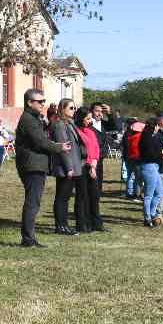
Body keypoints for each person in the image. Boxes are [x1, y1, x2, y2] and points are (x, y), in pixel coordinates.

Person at [13, 88, 65, 248]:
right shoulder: (28, 119)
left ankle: (29, 237)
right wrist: (59, 147)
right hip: (32, 165)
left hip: (35, 164)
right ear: (30, 102)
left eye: (44, 101)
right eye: (40, 101)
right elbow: (40, 142)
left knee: (33, 201)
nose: (43, 104)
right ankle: (28, 239)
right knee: (32, 202)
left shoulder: (34, 118)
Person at [50, 98, 85, 235]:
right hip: (66, 167)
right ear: (62, 109)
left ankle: (64, 225)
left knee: (65, 197)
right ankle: (61, 226)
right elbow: (64, 148)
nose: (74, 110)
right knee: (62, 197)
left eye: (74, 108)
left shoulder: (70, 123)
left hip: (73, 165)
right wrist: (69, 168)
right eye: (71, 108)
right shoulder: (60, 125)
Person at [139, 115, 163, 228]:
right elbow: (150, 154)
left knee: (160, 192)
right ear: (153, 126)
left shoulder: (152, 136)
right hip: (149, 166)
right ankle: (147, 218)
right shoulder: (147, 137)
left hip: (155, 166)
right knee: (149, 195)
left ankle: (152, 214)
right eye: (157, 125)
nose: (158, 127)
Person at [73, 107, 102, 233]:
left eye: (91, 118)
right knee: (82, 196)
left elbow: (95, 148)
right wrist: (90, 165)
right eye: (88, 118)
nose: (90, 121)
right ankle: (82, 224)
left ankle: (96, 223)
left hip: (92, 166)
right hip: (82, 167)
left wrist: (94, 164)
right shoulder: (76, 131)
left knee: (94, 196)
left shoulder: (90, 131)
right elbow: (82, 151)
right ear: (81, 118)